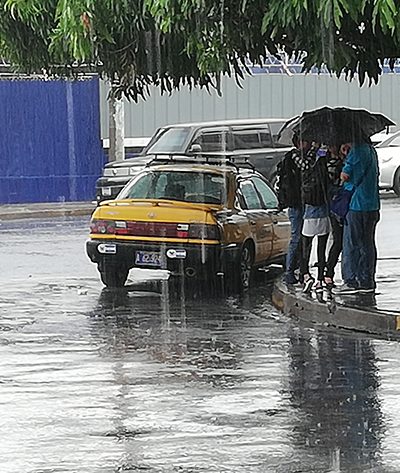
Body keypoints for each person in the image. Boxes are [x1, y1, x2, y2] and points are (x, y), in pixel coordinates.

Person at [333, 140, 380, 294]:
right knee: (368, 244)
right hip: (372, 204)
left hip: (356, 205)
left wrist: (346, 158)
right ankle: (367, 280)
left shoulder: (356, 152)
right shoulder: (371, 151)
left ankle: (351, 280)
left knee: (351, 243)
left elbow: (345, 176)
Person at [294, 143, 331, 293]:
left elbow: (304, 166)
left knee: (305, 247)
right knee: (321, 249)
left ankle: (306, 276)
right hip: (323, 211)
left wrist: (312, 150)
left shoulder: (306, 163)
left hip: (310, 212)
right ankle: (320, 280)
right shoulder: (324, 162)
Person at [276, 134, 307, 285]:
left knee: (302, 237)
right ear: (299, 142)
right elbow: (305, 167)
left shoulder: (296, 157)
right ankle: (290, 271)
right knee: (297, 237)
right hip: (296, 203)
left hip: (299, 202)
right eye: (306, 141)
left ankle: (300, 269)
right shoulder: (295, 156)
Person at [324, 143, 350, 288]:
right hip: (337, 205)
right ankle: (329, 272)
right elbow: (340, 179)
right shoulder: (331, 163)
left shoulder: (343, 160)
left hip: (341, 203)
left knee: (341, 240)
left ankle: (330, 272)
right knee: (339, 240)